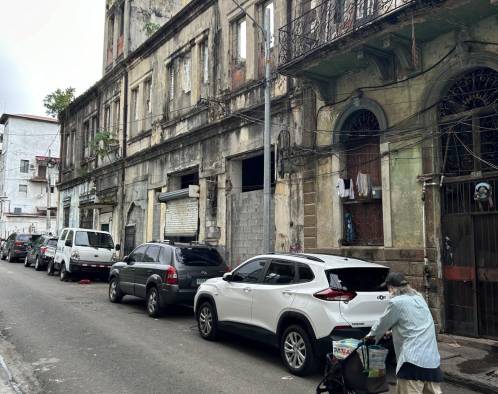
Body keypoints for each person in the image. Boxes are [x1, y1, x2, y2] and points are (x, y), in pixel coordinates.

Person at [365, 272, 443, 394]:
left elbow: (380, 325)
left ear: (391, 288)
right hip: (432, 362)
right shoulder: (419, 298)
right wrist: (392, 332)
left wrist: (368, 338)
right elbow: (415, 324)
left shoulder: (396, 302)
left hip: (411, 362)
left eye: (388, 289)